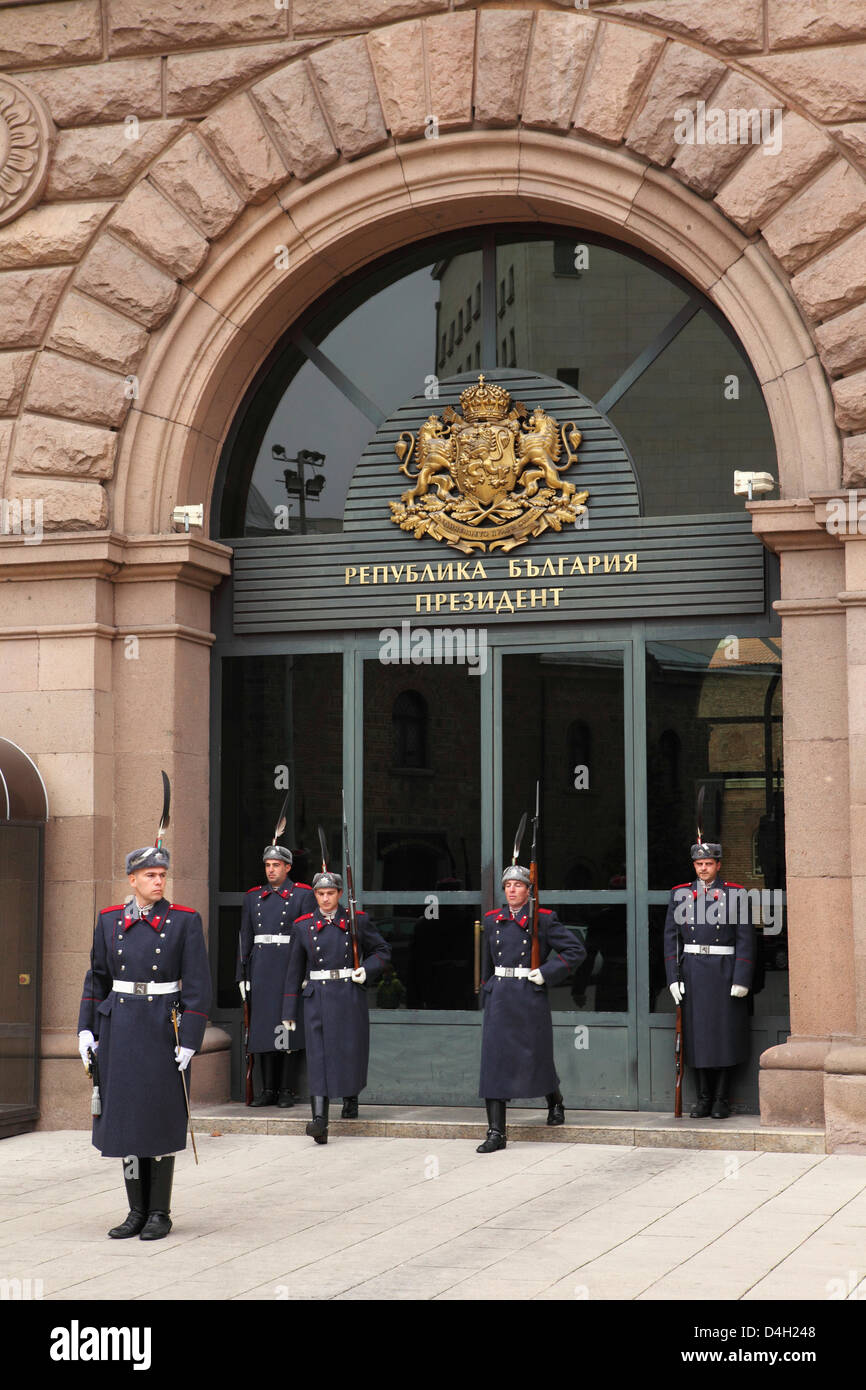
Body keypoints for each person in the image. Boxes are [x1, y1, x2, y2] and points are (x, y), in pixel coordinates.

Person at [77, 845, 210, 1239]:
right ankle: (136, 1210)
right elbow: (97, 978)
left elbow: (198, 986)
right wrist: (87, 1029)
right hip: (120, 1026)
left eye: (162, 875)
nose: (158, 881)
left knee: (158, 1115)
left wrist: (190, 1039)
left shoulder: (184, 921)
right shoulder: (108, 921)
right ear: (132, 879)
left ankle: (159, 1212)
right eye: (150, 876)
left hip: (161, 1027)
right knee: (127, 1120)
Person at [477, 865, 585, 1152]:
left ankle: (555, 1101)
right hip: (500, 995)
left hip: (528, 993)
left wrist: (546, 972)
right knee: (494, 1061)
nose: (511, 890)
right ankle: (496, 1132)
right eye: (507, 885)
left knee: (536, 1056)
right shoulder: (491, 920)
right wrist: (487, 990)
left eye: (518, 885)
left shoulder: (544, 919)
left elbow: (575, 950)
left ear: (529, 890)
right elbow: (486, 963)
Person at [281, 870, 390, 1144]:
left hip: (348, 992)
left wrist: (366, 969)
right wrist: (288, 1010)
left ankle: (350, 1097)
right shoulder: (303, 925)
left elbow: (382, 950)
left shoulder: (357, 920)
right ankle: (320, 1120)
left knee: (348, 1049)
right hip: (317, 995)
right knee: (318, 1055)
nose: (325, 898)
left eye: (330, 893)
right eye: (320, 894)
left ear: (339, 894)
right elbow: (294, 969)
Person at [663, 839, 755, 1119]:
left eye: (708, 864)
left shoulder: (736, 894)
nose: (703, 868)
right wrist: (673, 978)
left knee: (724, 1036)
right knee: (697, 1037)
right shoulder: (680, 893)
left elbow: (746, 938)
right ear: (694, 866)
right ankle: (703, 1098)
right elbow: (671, 939)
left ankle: (721, 1099)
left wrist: (741, 977)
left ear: (718, 865)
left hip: (724, 970)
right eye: (699, 864)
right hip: (692, 971)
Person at [237, 845, 314, 1107]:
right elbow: (244, 937)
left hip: (289, 966)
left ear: (288, 867)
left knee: (288, 1027)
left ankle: (286, 1089)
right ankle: (268, 1089)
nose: (271, 870)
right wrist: (242, 974)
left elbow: (308, 937)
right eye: (268, 865)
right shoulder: (253, 897)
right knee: (262, 1029)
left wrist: (306, 972)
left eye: (276, 865)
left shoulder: (302, 894)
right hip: (261, 968)